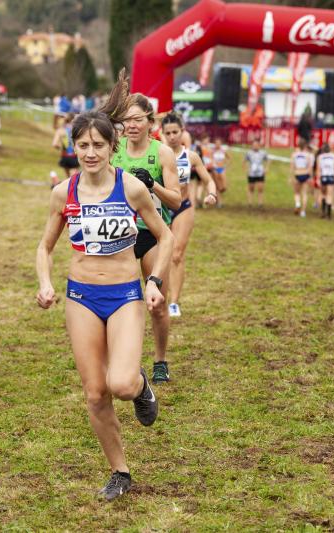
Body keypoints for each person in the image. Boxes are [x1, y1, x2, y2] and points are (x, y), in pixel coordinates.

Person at [35, 72, 172, 501]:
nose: (90, 152)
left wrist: (153, 281)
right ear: (73, 148)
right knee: (95, 393)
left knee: (122, 384)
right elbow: (44, 247)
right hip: (81, 296)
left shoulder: (130, 188)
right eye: (83, 145)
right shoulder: (64, 193)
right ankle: (120, 471)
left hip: (125, 294)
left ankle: (142, 386)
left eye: (98, 145)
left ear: (111, 146)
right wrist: (45, 282)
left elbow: (165, 236)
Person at [110, 92, 181, 385]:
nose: (132, 124)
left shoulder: (162, 153)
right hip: (119, 234)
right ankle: (123, 358)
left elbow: (176, 201)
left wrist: (153, 185)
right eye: (127, 119)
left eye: (138, 119)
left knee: (157, 301)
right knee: (121, 302)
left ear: (151, 121)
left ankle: (160, 360)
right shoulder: (113, 151)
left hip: (152, 233)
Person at [160, 113, 218, 319]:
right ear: (162, 134)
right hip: (161, 209)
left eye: (176, 132)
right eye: (168, 133)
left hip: (184, 207)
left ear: (182, 131)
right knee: (161, 256)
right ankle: (160, 297)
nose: (172, 136)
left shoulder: (191, 156)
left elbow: (208, 180)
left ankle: (174, 302)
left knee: (176, 254)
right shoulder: (157, 154)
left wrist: (211, 193)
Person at [291, 138, 314, 217]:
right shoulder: (308, 155)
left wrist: (291, 177)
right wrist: (310, 177)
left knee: (297, 193)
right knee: (304, 193)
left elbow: (292, 167)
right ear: (305, 146)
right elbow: (310, 167)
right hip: (305, 174)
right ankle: (303, 212)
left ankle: (297, 203)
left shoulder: (294, 154)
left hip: (297, 173)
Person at [52, 113, 79, 179]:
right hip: (74, 156)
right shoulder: (77, 129)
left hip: (64, 156)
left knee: (68, 179)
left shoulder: (61, 130)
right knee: (73, 179)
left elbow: (55, 144)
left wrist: (60, 147)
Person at [317, 142, 334, 219]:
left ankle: (323, 212)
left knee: (323, 194)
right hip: (331, 176)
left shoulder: (320, 157)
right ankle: (329, 215)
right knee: (329, 195)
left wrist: (318, 179)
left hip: (323, 176)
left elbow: (319, 169)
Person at [244, 139, 269, 208]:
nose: (255, 146)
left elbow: (268, 160)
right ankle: (250, 202)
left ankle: (260, 203)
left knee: (260, 188)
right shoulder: (249, 153)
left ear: (259, 146)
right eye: (254, 145)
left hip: (260, 173)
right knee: (251, 188)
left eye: (257, 145)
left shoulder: (263, 153)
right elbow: (244, 161)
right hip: (251, 173)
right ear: (252, 146)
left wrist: (266, 169)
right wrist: (246, 170)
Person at [211, 138, 229, 207]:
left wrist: (226, 165)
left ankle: (216, 197)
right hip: (215, 169)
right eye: (216, 143)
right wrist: (213, 164)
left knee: (223, 186)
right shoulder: (212, 151)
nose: (217, 144)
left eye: (219, 143)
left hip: (221, 168)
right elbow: (210, 158)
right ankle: (219, 202)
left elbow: (229, 158)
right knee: (217, 186)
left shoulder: (223, 151)